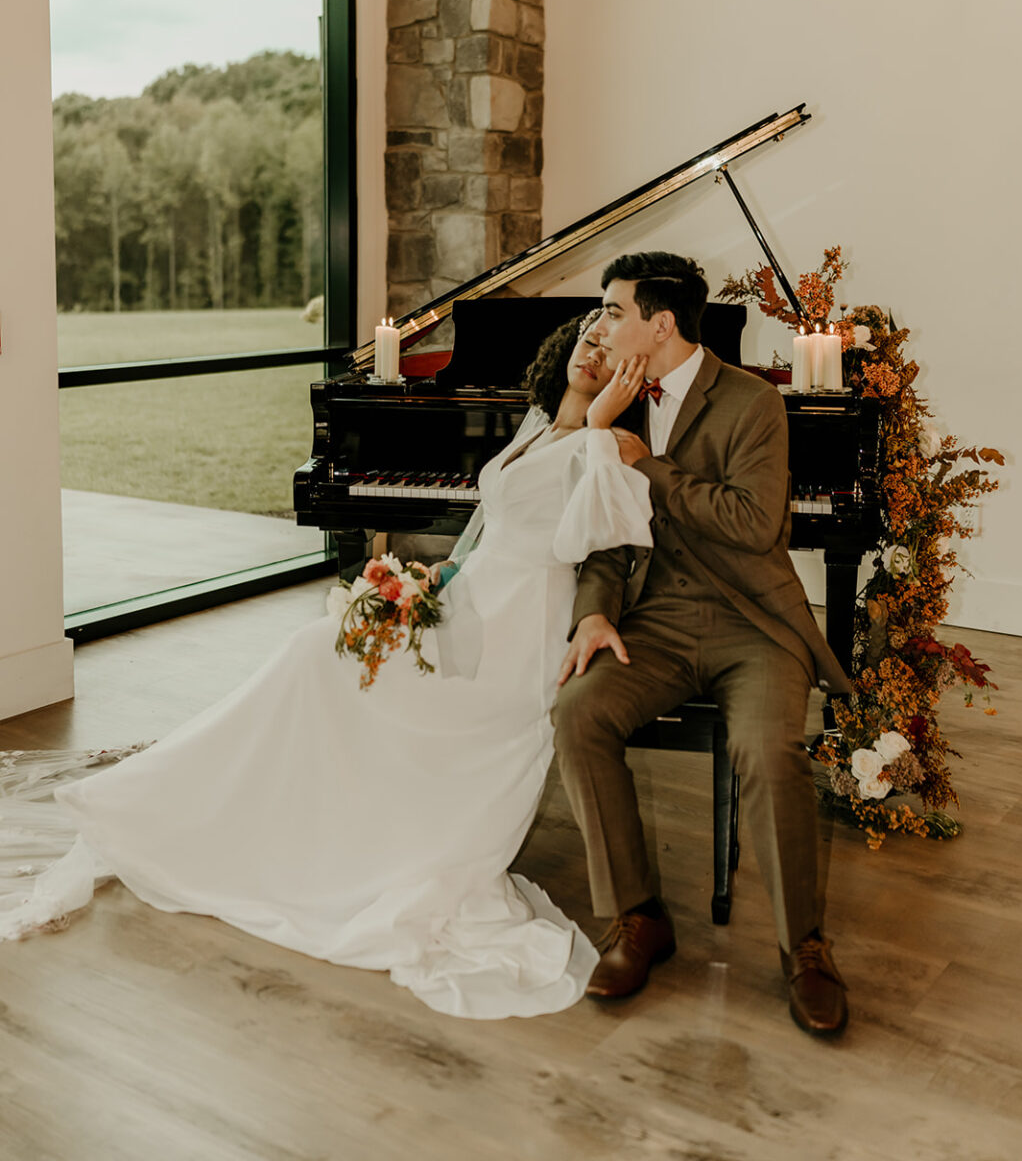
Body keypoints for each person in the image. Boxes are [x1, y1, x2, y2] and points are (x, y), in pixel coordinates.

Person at [0, 314, 654, 1021]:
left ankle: (290, 823)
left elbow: (603, 535)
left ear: (633, 376)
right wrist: (433, 580)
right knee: (315, 650)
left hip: (518, 639)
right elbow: (487, 528)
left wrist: (599, 425)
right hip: (470, 605)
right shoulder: (535, 424)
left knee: (320, 659)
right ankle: (240, 808)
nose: (594, 353)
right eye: (588, 338)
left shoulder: (616, 442)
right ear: (563, 348)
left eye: (613, 351)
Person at [553, 252, 853, 1037]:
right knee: (578, 714)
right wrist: (592, 613)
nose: (601, 326)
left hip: (754, 623)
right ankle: (638, 917)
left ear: (661, 323)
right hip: (656, 620)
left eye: (613, 311)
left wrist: (647, 463)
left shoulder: (754, 402)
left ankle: (804, 947)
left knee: (766, 749)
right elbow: (606, 539)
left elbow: (754, 525)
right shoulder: (612, 403)